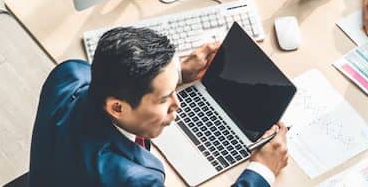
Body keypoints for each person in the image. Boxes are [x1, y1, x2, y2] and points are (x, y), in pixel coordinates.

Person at [29, 27, 289, 186]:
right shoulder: (133, 179)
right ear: (117, 108)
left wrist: (177, 73)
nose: (178, 104)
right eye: (165, 98)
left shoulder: (70, 73)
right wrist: (262, 170)